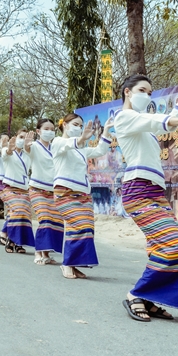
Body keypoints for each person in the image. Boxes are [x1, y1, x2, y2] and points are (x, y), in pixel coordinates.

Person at [115, 73, 178, 322]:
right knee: (172, 245)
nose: (147, 96)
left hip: (154, 191)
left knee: (162, 246)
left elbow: (164, 120)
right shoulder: (124, 118)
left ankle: (149, 299)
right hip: (138, 190)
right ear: (127, 92)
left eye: (150, 92)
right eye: (142, 90)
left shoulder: (143, 125)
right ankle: (136, 294)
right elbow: (160, 119)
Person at [51, 115, 113, 279]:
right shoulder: (57, 142)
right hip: (65, 192)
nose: (79, 127)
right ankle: (66, 264)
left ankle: (72, 263)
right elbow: (69, 145)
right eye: (75, 124)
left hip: (83, 194)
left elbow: (100, 150)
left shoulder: (81, 150)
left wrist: (105, 131)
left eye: (80, 125)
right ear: (64, 125)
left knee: (85, 228)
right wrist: (81, 139)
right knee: (78, 225)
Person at [25, 119, 62, 265]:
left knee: (55, 222)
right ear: (38, 131)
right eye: (46, 128)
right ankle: (38, 251)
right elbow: (27, 150)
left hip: (54, 191)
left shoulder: (56, 147)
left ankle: (46, 253)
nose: (50, 132)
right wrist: (26, 145)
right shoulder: (34, 146)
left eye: (52, 129)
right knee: (45, 219)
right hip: (37, 189)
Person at [0, 131, 34, 254]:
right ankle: (12, 240)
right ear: (16, 137)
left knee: (22, 215)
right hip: (10, 187)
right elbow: (5, 154)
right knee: (18, 211)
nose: (22, 140)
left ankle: (18, 242)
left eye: (25, 138)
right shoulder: (6, 151)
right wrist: (9, 149)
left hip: (24, 188)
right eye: (21, 137)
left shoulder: (28, 153)